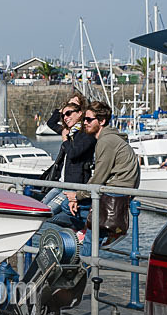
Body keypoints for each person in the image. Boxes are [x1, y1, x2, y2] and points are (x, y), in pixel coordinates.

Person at [64, 101, 140, 251]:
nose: (85, 123)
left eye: (89, 120)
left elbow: (99, 177)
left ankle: (86, 268)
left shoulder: (106, 141)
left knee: (68, 210)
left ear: (102, 121)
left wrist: (77, 196)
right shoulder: (109, 138)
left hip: (114, 195)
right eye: (84, 119)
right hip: (118, 192)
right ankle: (98, 228)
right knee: (70, 208)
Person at [41, 98, 96, 227]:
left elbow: (73, 154)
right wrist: (65, 108)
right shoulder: (70, 131)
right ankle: (79, 227)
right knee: (39, 209)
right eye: (63, 115)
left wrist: (65, 139)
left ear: (80, 112)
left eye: (69, 113)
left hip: (73, 185)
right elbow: (51, 123)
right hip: (61, 182)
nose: (65, 117)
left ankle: (83, 226)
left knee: (47, 214)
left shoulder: (85, 133)